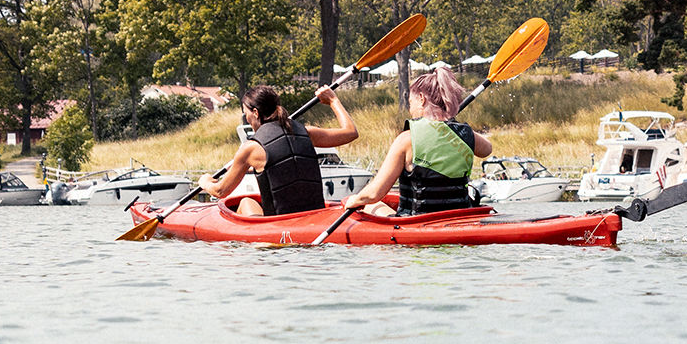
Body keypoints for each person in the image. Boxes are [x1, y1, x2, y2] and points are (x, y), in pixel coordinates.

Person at [341, 71, 493, 216]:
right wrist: (452, 125)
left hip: (417, 221)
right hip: (457, 217)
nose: (410, 110)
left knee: (370, 204)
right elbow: (487, 149)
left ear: (421, 98)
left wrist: (354, 199)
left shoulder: (406, 139)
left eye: (410, 103)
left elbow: (374, 194)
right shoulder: (466, 134)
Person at [209, 84, 360, 218]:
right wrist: (333, 100)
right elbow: (351, 132)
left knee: (246, 202)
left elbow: (220, 191)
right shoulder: (307, 132)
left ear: (255, 113)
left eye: (245, 113)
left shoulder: (250, 148)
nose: (246, 118)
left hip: (279, 225)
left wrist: (205, 182)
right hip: (315, 217)